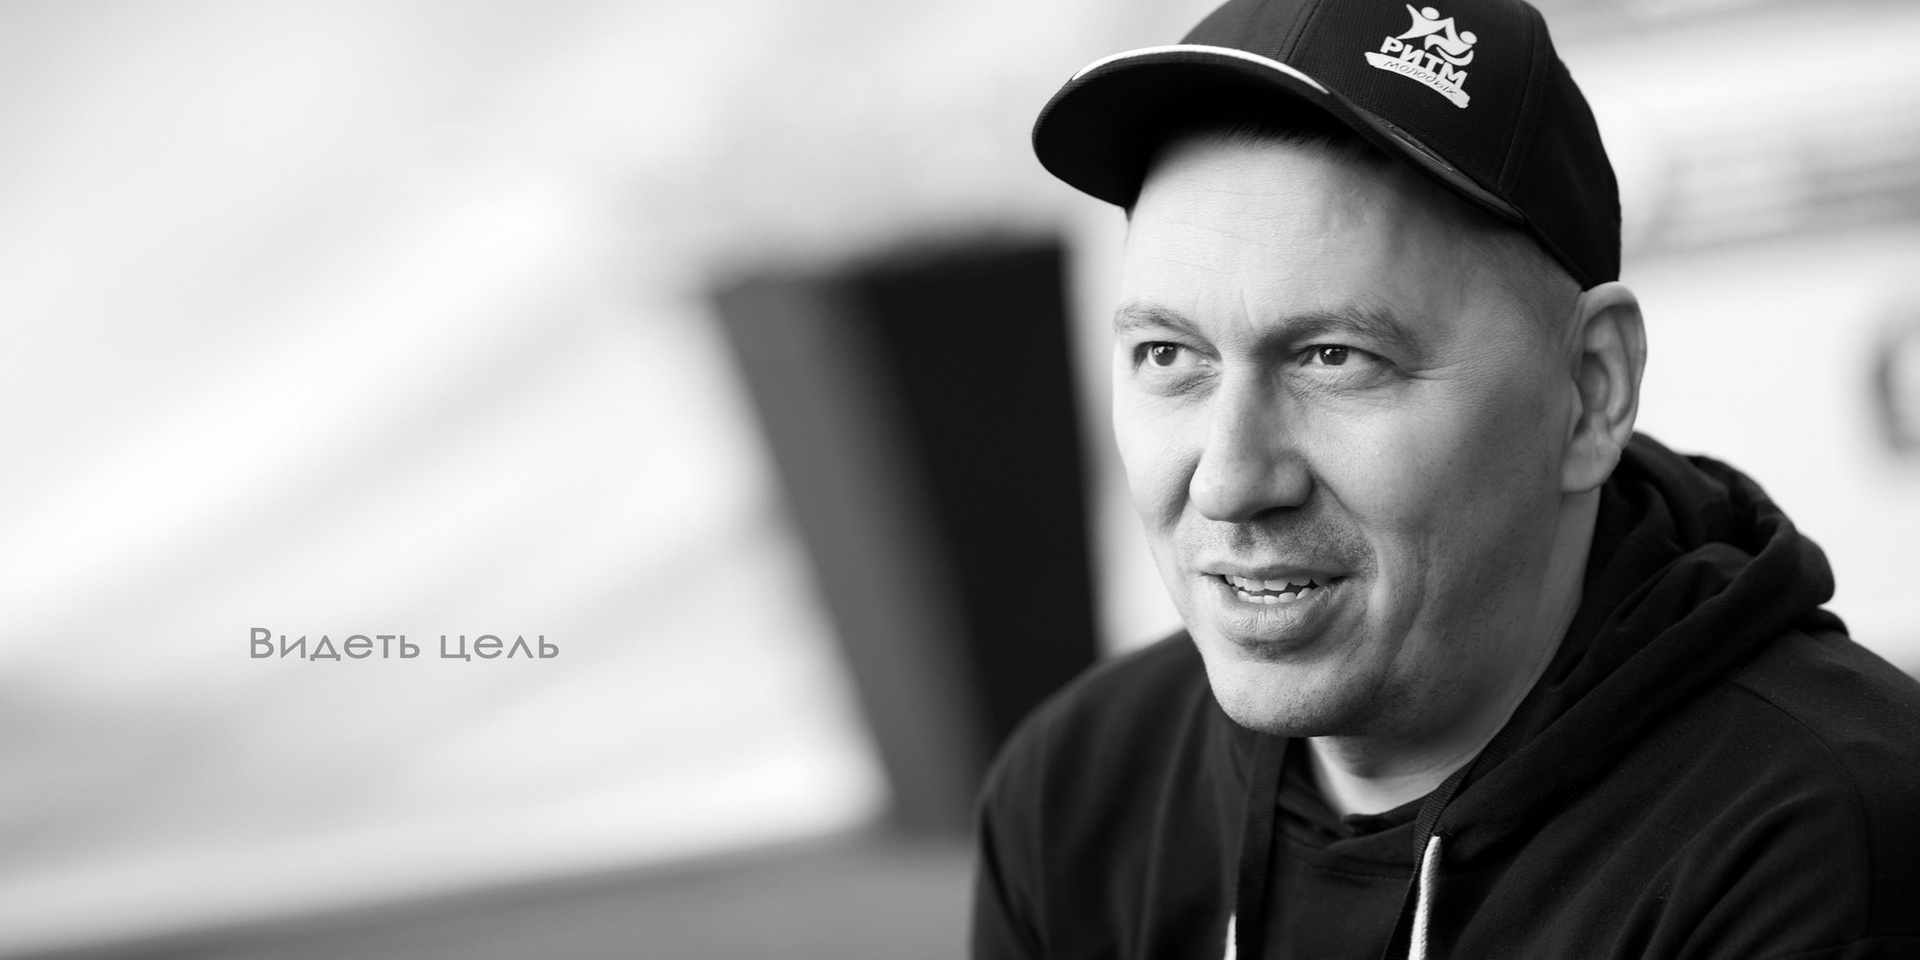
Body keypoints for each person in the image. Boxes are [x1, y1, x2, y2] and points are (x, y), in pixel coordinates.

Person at [970, 0, 1920, 957]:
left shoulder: (1825, 836)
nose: (1230, 481)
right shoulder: (1079, 792)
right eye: (1169, 355)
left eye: (1334, 358)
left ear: (1590, 391)